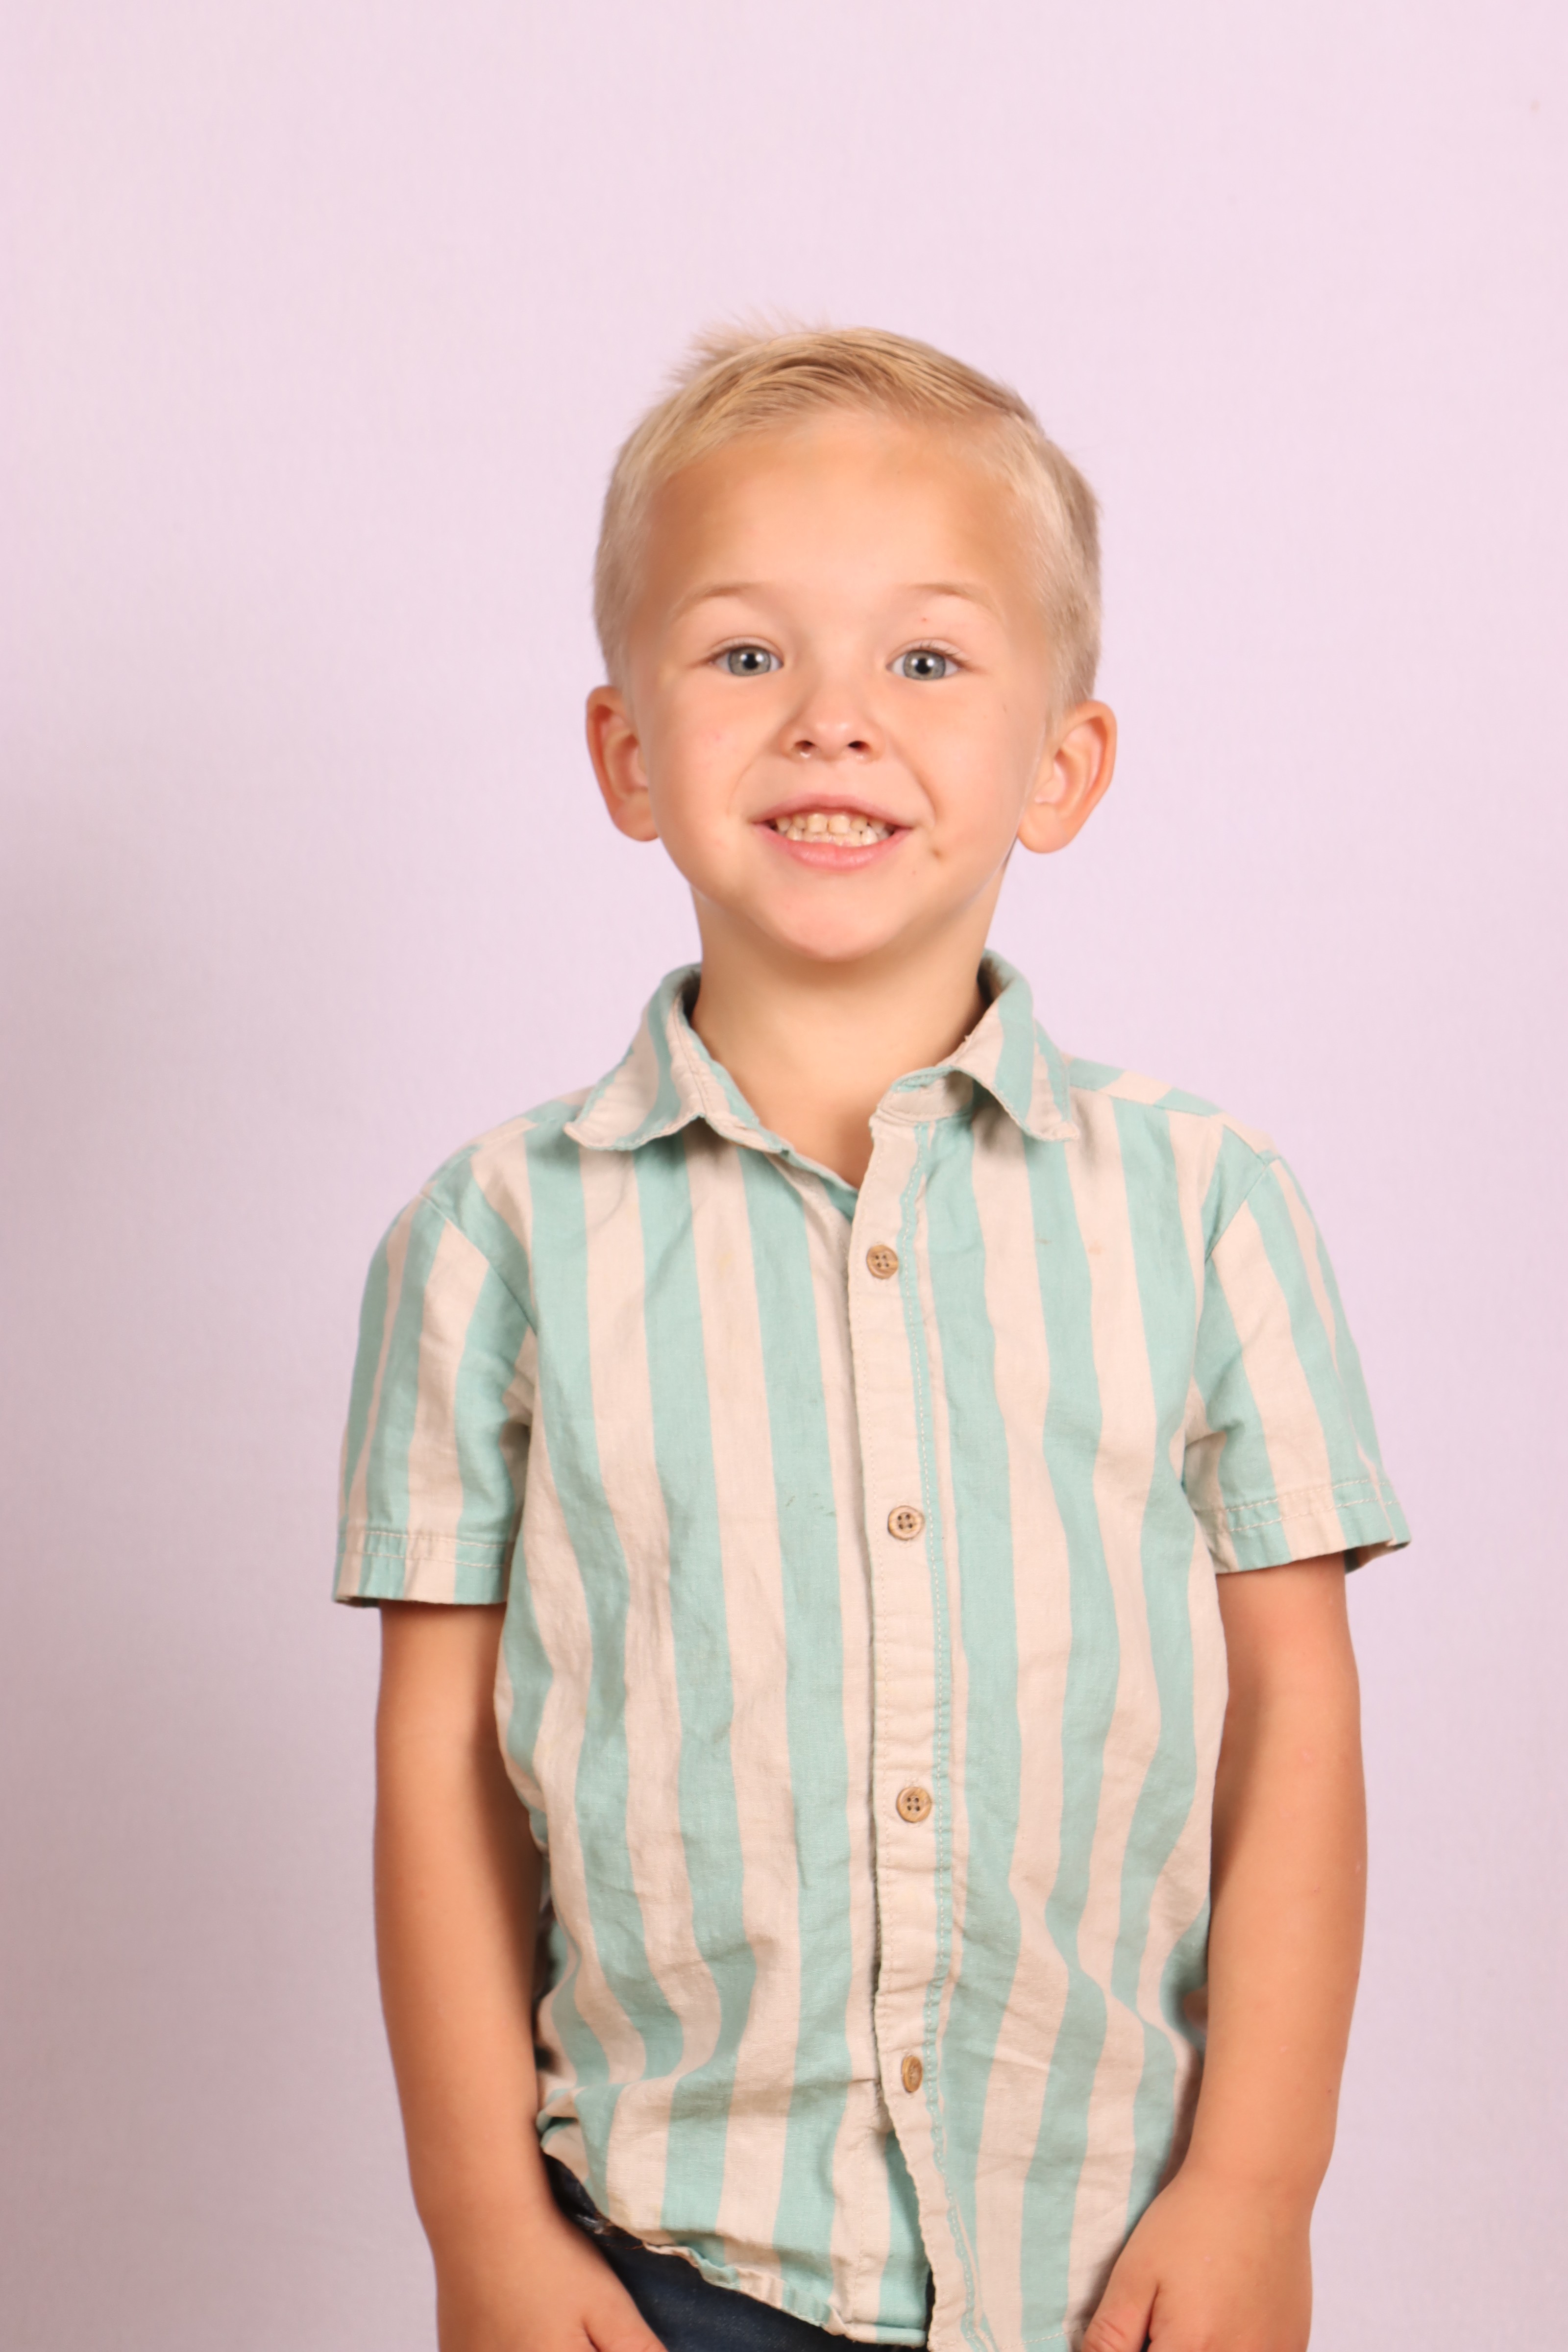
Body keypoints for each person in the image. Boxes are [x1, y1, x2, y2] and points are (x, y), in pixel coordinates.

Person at [335, 327, 1407, 2352]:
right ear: (625, 752)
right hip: (669, 2264)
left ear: (1060, 764)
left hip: (1112, 2258)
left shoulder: (1206, 1208)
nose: (834, 720)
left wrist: (1257, 2188)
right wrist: (480, 2223)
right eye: (747, 654)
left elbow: (1295, 1721)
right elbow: (439, 1769)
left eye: (925, 659)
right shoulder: (493, 1238)